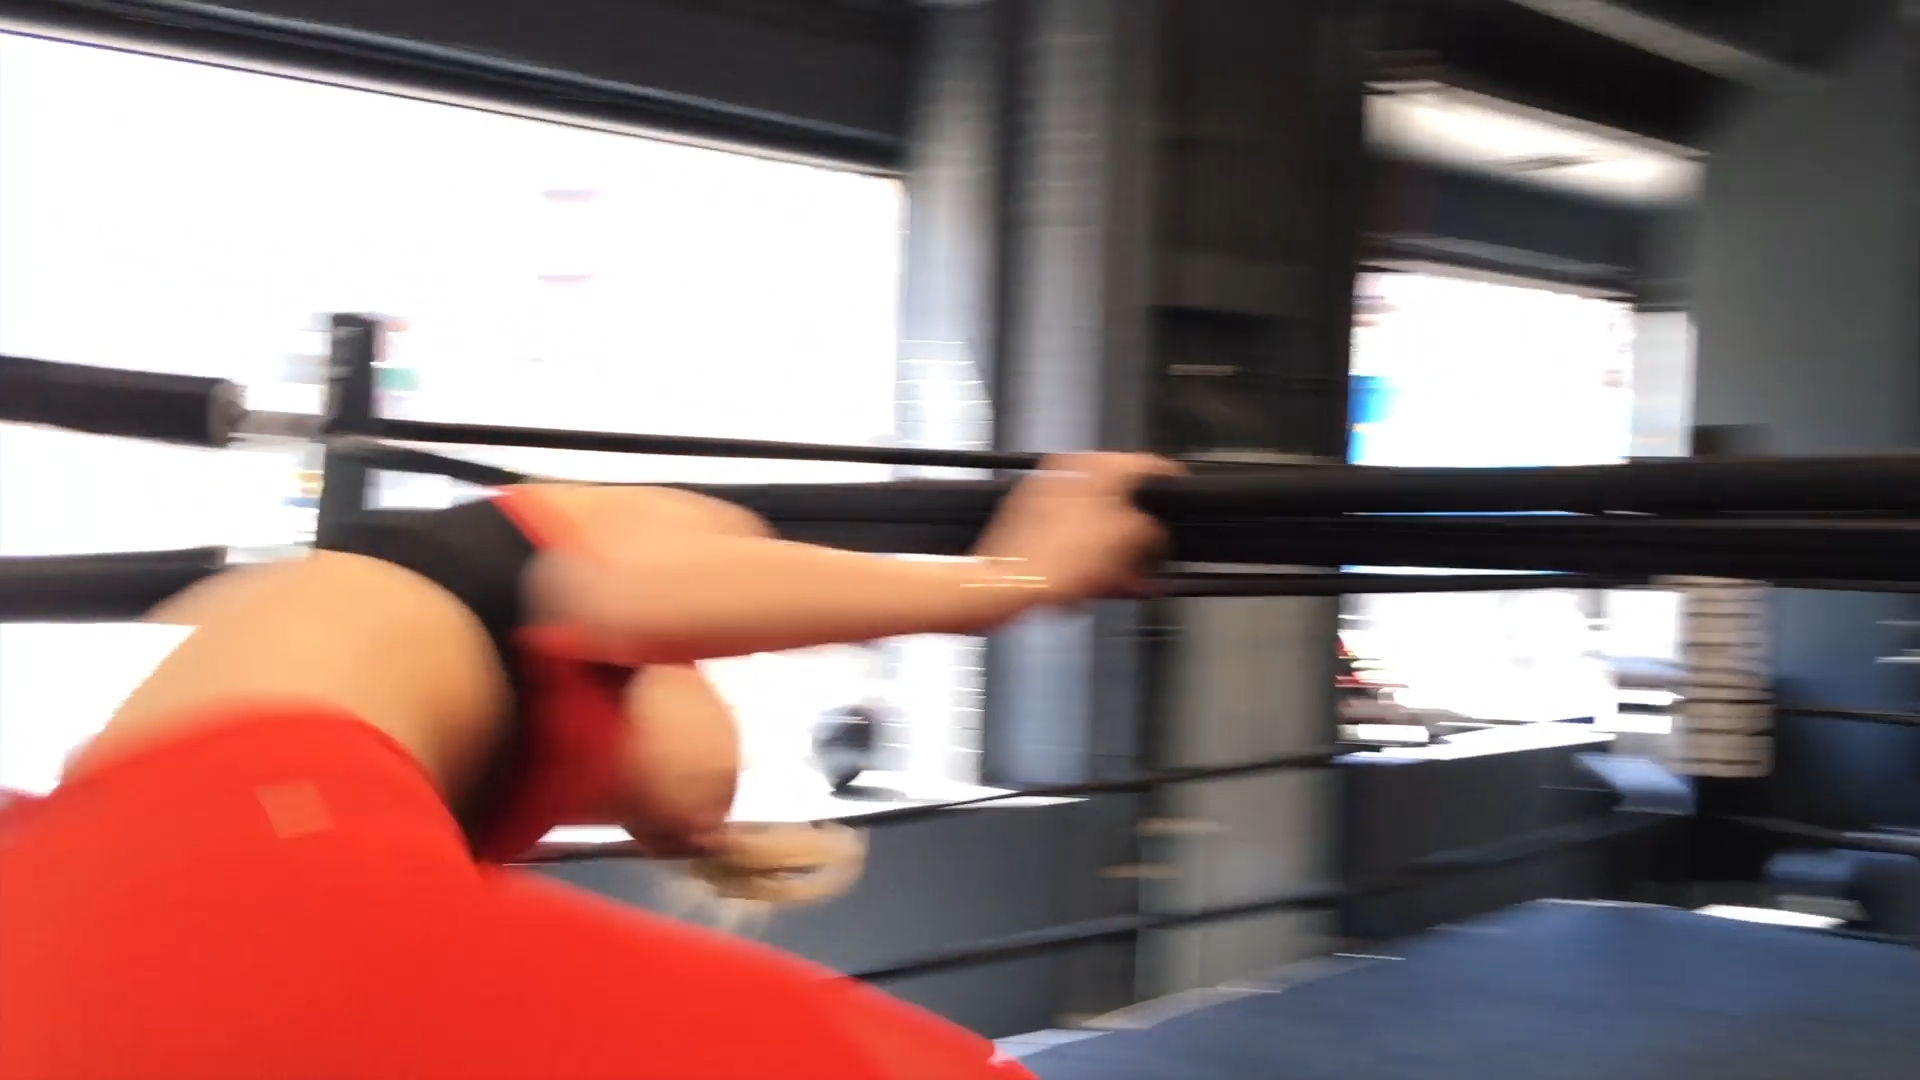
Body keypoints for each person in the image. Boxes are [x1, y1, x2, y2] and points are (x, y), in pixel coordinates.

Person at [0, 453, 1177, 1080]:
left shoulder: (401, 694)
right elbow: (623, 593)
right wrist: (1012, 580)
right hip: (241, 863)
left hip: (92, 892)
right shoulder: (598, 535)